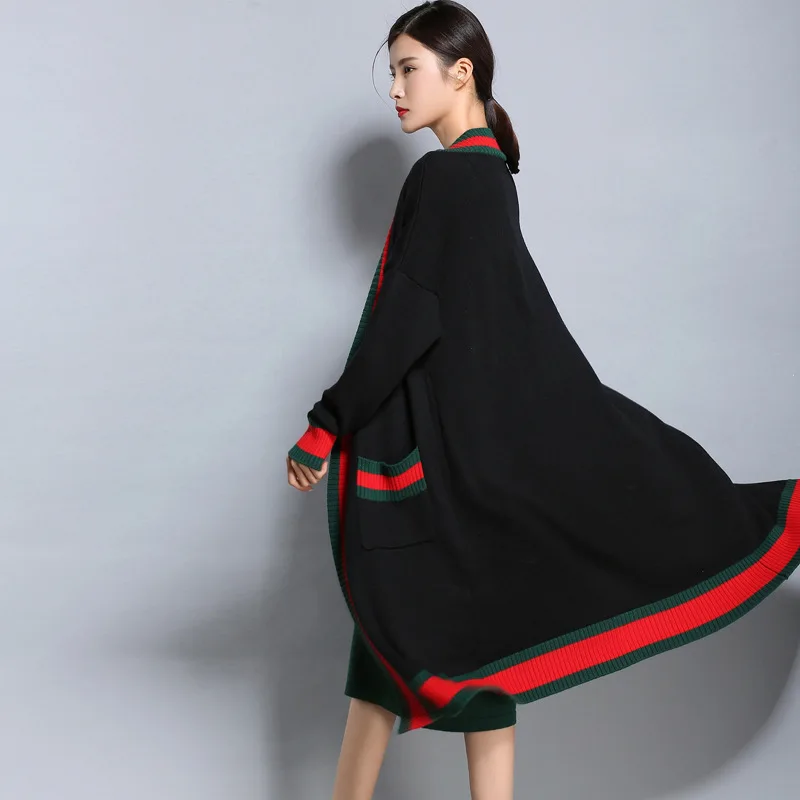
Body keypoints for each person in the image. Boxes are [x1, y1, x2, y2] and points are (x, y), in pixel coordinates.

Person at [286, 3, 799, 799]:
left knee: (413, 647)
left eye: (409, 68)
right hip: (483, 460)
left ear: (461, 73)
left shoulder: (447, 178)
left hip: (450, 469)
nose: (395, 89)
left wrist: (327, 425)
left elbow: (409, 318)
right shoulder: (490, 175)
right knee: (461, 655)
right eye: (392, 72)